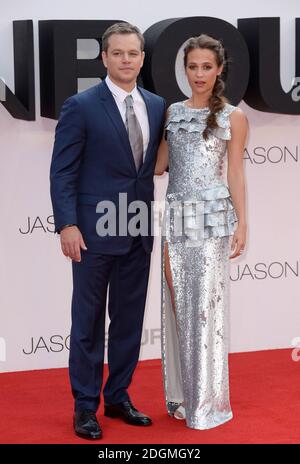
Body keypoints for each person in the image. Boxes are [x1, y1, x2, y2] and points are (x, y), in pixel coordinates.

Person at [50, 22, 165, 439]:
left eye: (133, 53)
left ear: (142, 57)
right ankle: (85, 406)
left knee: (129, 321)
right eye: (118, 53)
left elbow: (149, 166)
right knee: (88, 323)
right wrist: (67, 223)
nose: (126, 60)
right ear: (104, 58)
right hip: (93, 233)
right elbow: (62, 170)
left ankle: (118, 396)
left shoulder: (156, 104)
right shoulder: (80, 105)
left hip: (136, 228)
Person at [155, 34, 248, 430]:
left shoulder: (234, 116)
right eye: (192, 66)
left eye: (206, 67)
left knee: (205, 311)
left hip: (210, 222)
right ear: (184, 69)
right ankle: (181, 395)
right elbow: (159, 165)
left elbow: (237, 173)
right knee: (176, 306)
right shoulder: (172, 112)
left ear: (219, 69)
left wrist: (243, 223)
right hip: (175, 218)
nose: (199, 74)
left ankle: (206, 403)